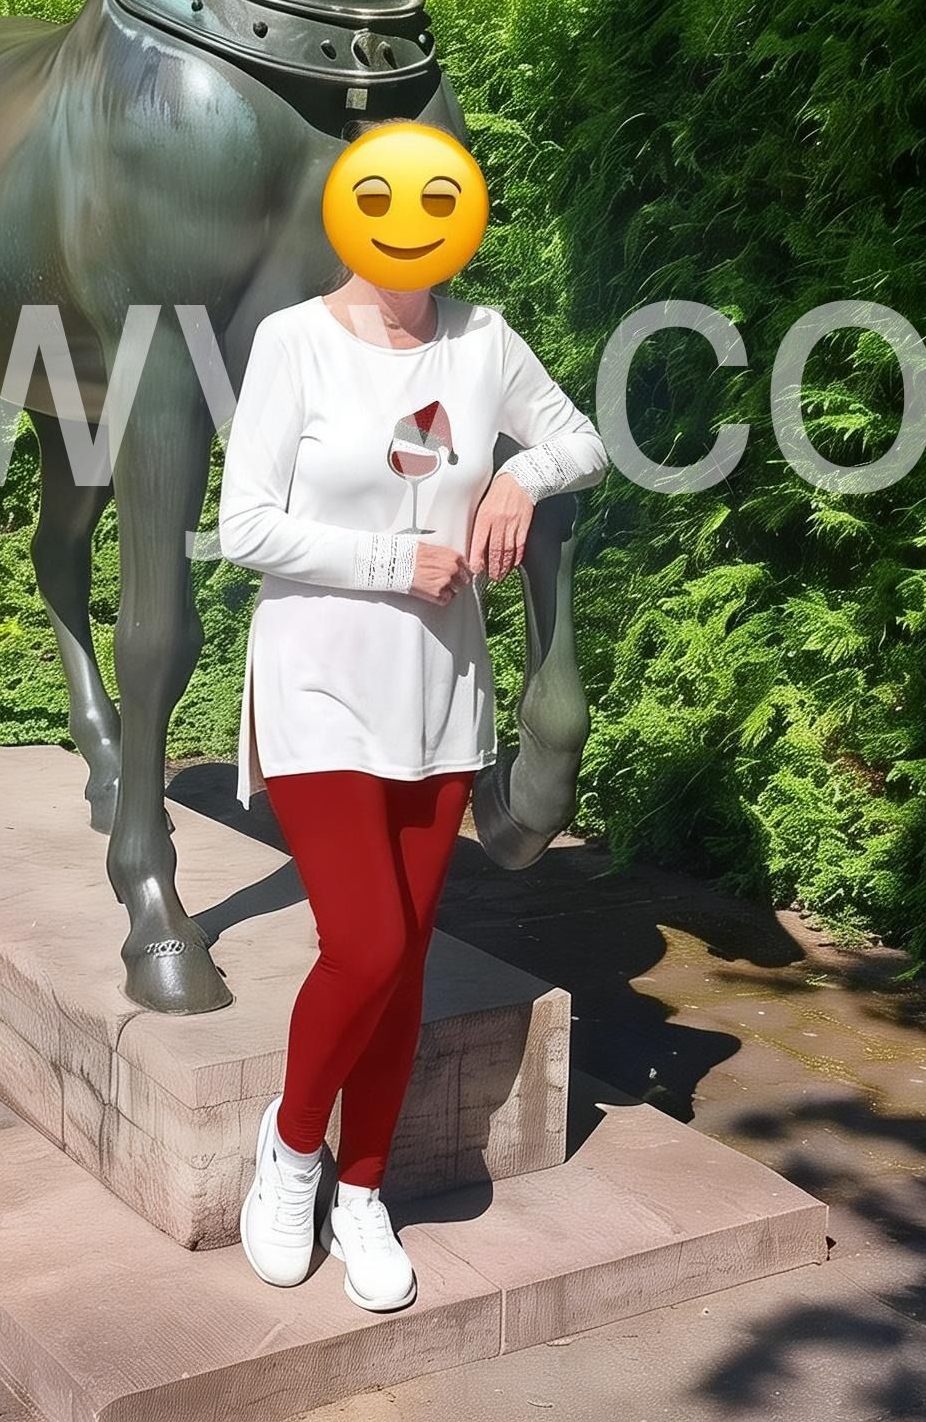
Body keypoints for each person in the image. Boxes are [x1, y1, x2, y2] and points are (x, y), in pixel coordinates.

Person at [216, 132, 607, 1314]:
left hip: (437, 696)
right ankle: (292, 1148)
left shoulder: (482, 341)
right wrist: (394, 559)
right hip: (317, 685)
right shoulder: (292, 341)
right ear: (348, 208)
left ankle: (362, 1189)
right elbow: (244, 524)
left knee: (403, 959)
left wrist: (518, 478)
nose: (408, 222)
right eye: (384, 198)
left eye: (435, 199)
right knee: (368, 943)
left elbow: (580, 439)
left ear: (462, 214)